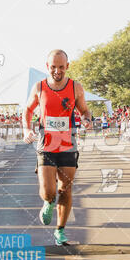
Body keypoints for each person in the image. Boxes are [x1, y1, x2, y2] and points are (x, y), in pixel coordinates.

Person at [23, 49, 92, 246]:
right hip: (46, 144)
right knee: (49, 191)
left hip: (68, 144)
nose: (57, 71)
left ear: (67, 67)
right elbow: (27, 110)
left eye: (61, 67)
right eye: (53, 67)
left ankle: (60, 230)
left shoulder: (75, 87)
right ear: (47, 67)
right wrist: (26, 129)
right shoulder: (39, 87)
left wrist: (87, 120)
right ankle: (48, 201)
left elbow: (85, 110)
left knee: (66, 189)